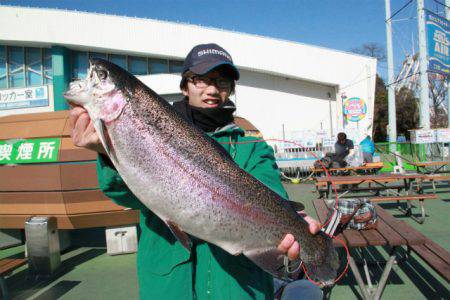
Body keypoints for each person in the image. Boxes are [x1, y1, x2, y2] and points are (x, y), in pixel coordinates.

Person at [69, 43, 321, 299]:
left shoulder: (253, 147)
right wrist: (106, 153)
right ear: (184, 86)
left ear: (231, 91)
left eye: (222, 82)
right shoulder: (149, 132)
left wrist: (296, 226)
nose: (212, 89)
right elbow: (124, 194)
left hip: (237, 288)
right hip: (168, 286)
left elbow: (271, 193)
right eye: (201, 80)